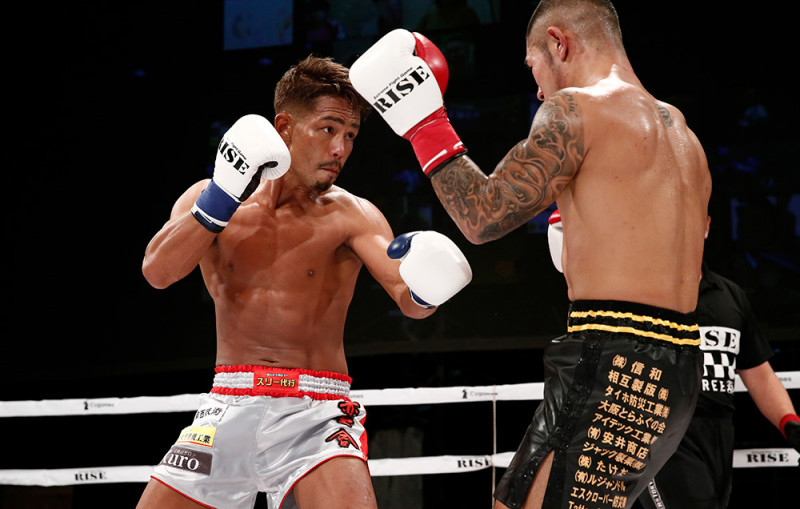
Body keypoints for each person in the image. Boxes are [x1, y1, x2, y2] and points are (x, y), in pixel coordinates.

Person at [348, 1, 712, 508]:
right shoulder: (682, 133)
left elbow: (483, 215)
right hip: (679, 365)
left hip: (612, 359)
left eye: (533, 66)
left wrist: (425, 124)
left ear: (559, 43)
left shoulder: (577, 109)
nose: (538, 89)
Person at [136, 55, 472, 509]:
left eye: (350, 135)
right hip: (226, 406)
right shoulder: (210, 197)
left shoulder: (353, 215)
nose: (340, 148)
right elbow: (157, 272)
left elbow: (407, 299)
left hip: (316, 413)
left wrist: (427, 287)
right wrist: (220, 196)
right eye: (328, 129)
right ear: (285, 127)